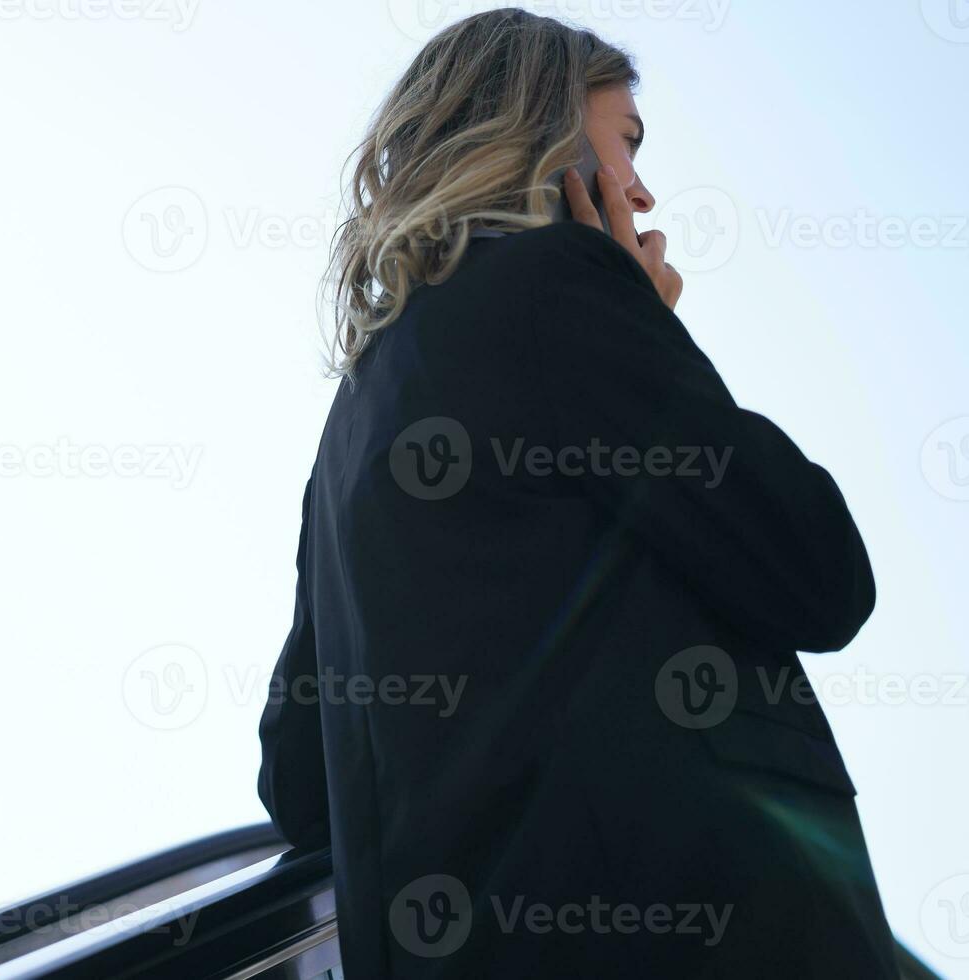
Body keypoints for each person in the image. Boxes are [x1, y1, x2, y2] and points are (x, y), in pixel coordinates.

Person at [256, 9, 896, 978]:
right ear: (538, 125)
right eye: (627, 140)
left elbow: (296, 779)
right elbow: (820, 569)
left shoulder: (344, 438)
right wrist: (651, 327)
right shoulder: (563, 287)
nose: (640, 184)